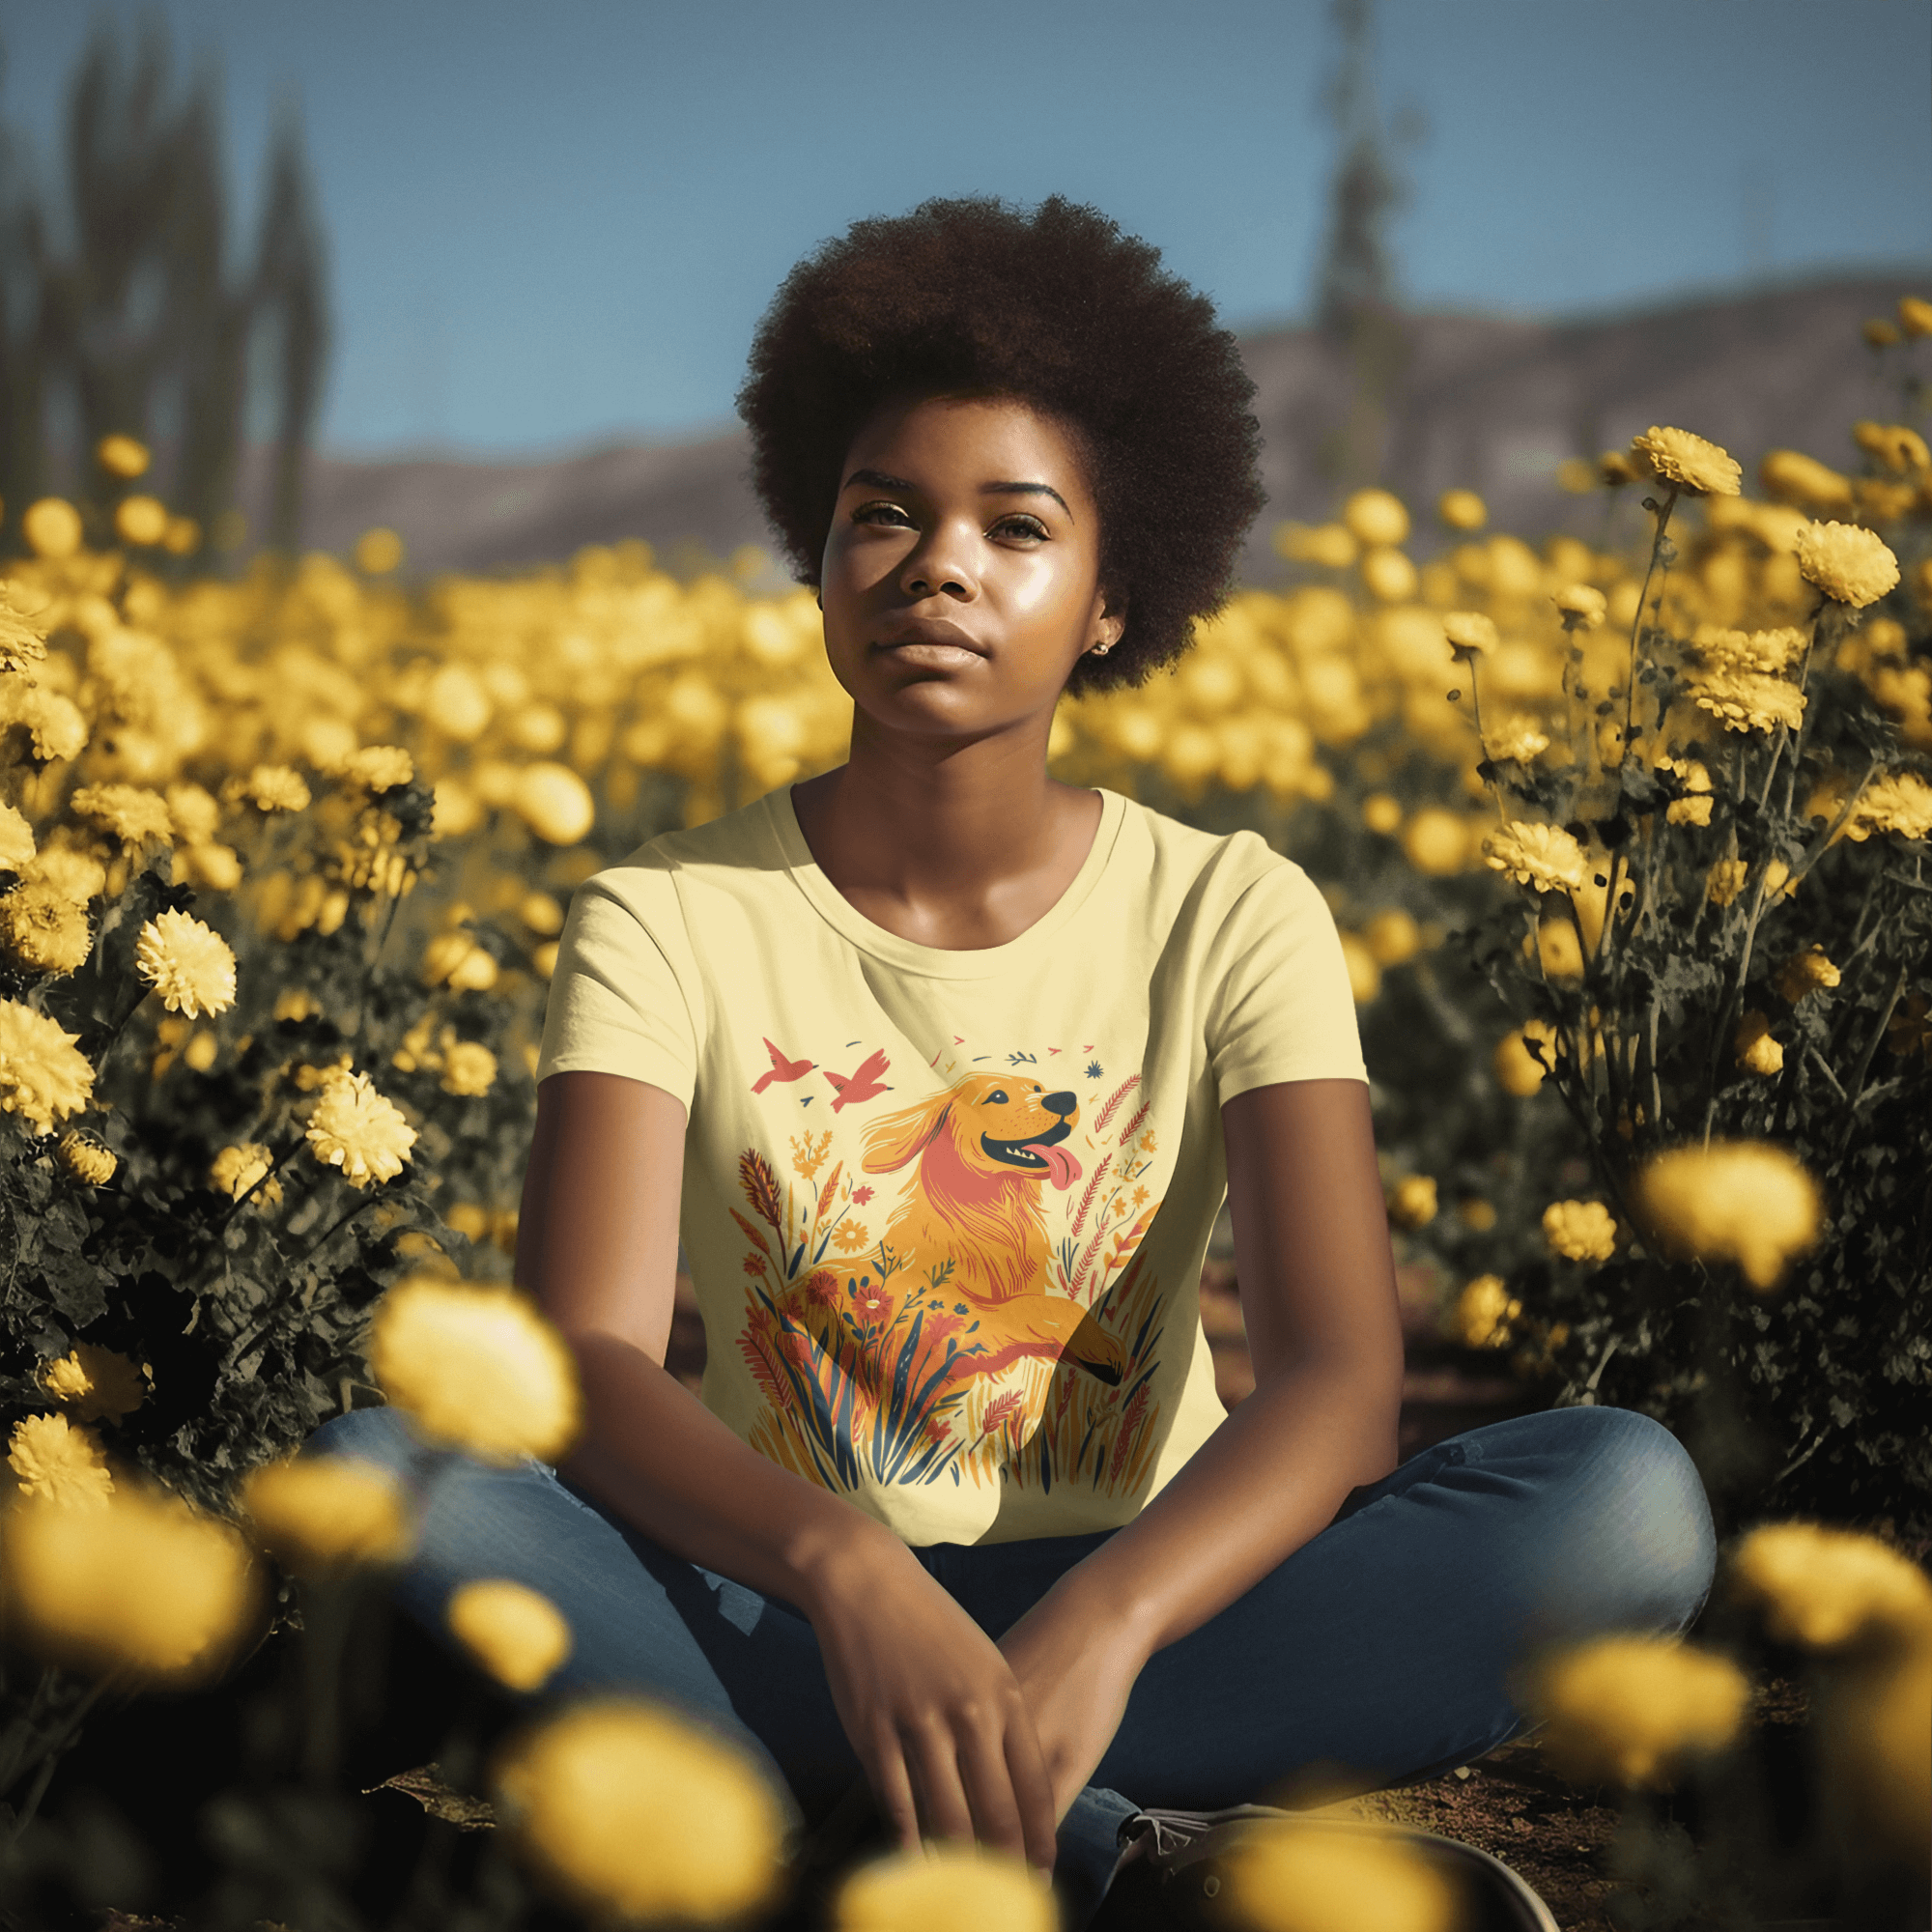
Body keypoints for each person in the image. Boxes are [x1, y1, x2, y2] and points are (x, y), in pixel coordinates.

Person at [311, 196, 1718, 1925]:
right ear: (817, 560)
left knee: (1625, 1506)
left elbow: (1344, 1384)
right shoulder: (663, 914)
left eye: (1016, 526)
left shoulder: (1235, 907)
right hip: (791, 1608)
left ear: (1114, 596)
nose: (940, 565)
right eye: (880, 516)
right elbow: (585, 1366)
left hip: (1165, 1614)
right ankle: (1124, 1871)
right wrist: (845, 1569)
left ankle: (858, 1823)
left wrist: (1103, 1624)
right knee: (382, 1470)